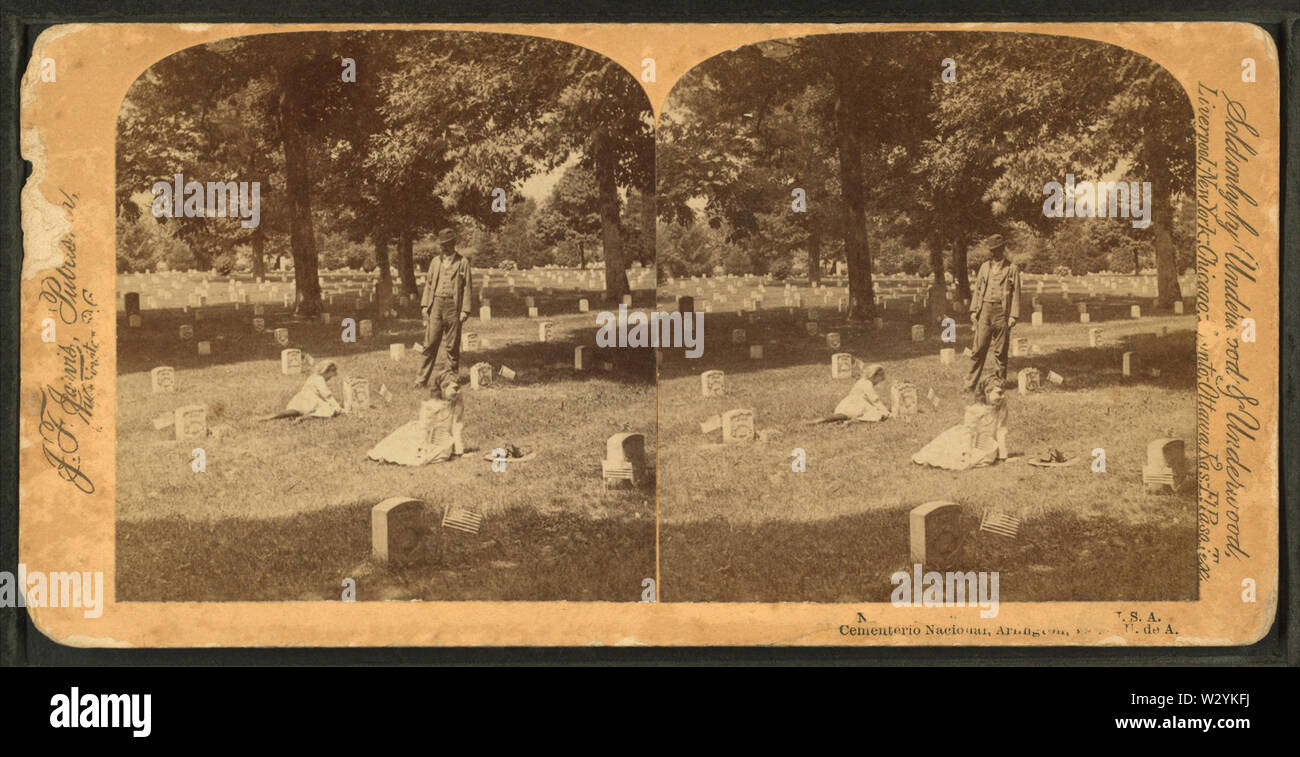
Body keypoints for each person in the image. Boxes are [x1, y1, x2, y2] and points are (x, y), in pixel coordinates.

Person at [415, 226, 473, 389]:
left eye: (446, 245)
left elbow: (468, 287)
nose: (443, 248)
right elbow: (429, 284)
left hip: (454, 307)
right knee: (430, 343)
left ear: (453, 244)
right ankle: (421, 380)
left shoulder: (462, 263)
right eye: (441, 245)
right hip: (436, 306)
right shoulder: (435, 262)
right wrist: (425, 305)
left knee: (452, 346)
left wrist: (465, 310)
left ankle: (451, 378)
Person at [911, 375, 1008, 470]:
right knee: (955, 454)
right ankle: (932, 460)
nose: (1003, 396)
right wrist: (967, 453)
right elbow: (968, 433)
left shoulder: (1001, 408)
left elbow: (1001, 431)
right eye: (999, 393)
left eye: (1003, 393)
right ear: (987, 392)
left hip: (986, 444)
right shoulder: (974, 410)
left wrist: (1003, 456)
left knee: (984, 459)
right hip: (969, 442)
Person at [965, 233, 1022, 393]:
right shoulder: (984, 267)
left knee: (1000, 351)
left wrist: (1013, 316)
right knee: (978, 349)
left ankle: (998, 384)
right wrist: (974, 310)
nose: (994, 253)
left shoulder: (1011, 268)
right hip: (984, 311)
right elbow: (977, 290)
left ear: (1003, 249)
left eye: (997, 250)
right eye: (992, 250)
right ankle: (969, 384)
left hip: (1001, 312)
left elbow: (1016, 293)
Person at [369, 371, 465, 466]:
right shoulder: (432, 405)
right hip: (423, 436)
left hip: (443, 440)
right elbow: (424, 427)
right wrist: (424, 447)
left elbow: (457, 426)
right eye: (455, 388)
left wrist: (459, 451)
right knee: (408, 450)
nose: (458, 392)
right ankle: (387, 457)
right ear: (443, 387)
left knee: (441, 454)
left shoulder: (457, 403)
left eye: (459, 388)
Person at [261, 360, 343, 420]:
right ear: (326, 371)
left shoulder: (313, 377)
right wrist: (338, 407)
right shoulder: (320, 379)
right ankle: (303, 418)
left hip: (301, 398)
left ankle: (272, 416)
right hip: (312, 400)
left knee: (294, 411)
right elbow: (327, 396)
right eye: (330, 376)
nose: (330, 379)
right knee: (330, 411)